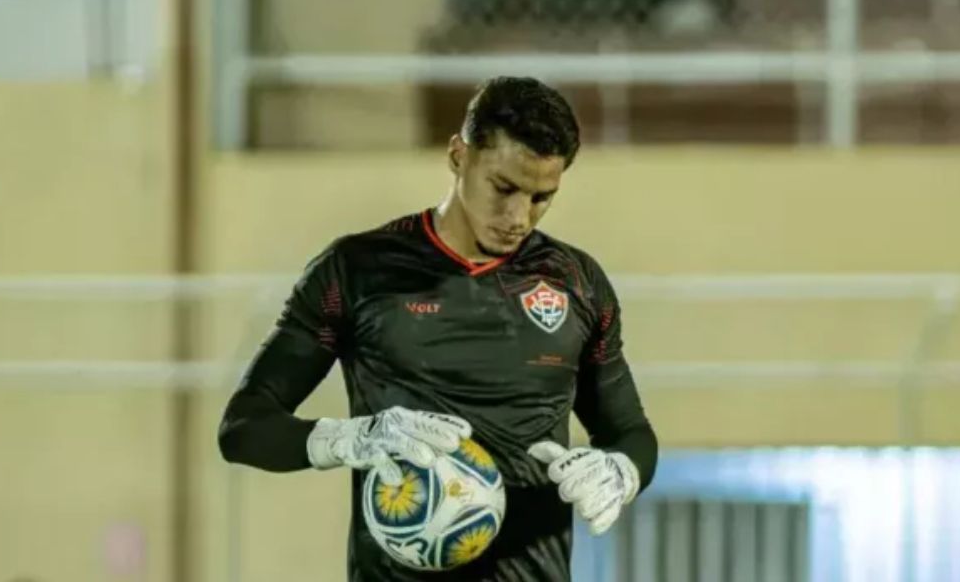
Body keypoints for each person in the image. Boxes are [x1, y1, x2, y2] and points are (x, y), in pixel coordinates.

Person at [218, 75, 658, 581]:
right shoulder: (356, 271)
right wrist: (348, 439)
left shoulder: (578, 284)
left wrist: (620, 471)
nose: (518, 217)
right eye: (504, 188)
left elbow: (629, 432)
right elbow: (243, 428)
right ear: (457, 156)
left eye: (541, 197)